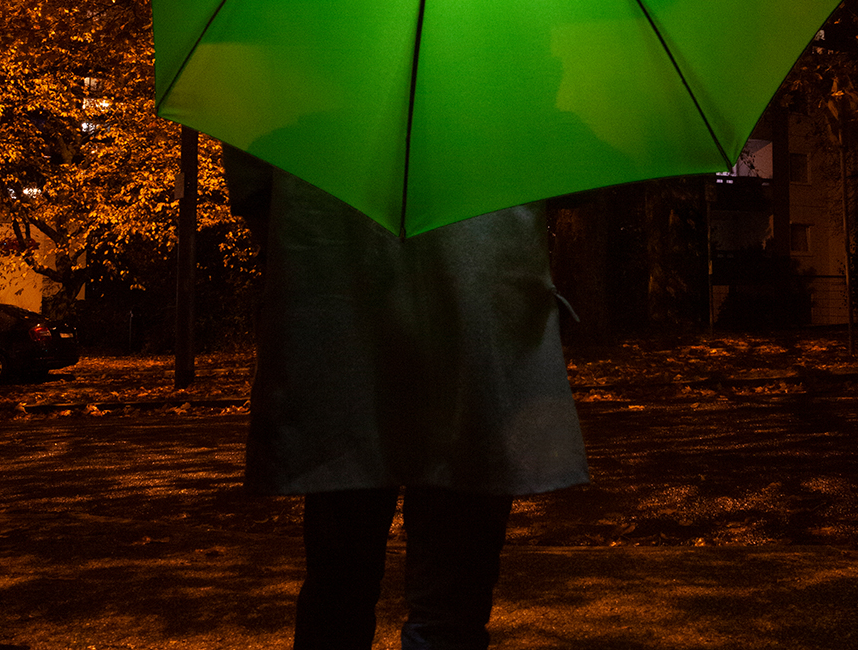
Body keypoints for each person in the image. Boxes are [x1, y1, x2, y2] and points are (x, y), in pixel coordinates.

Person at [223, 145, 589, 650]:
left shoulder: (304, 68)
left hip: (341, 298)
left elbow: (252, 172)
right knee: (448, 608)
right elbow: (574, 173)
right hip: (474, 310)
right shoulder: (512, 69)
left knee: (338, 587)